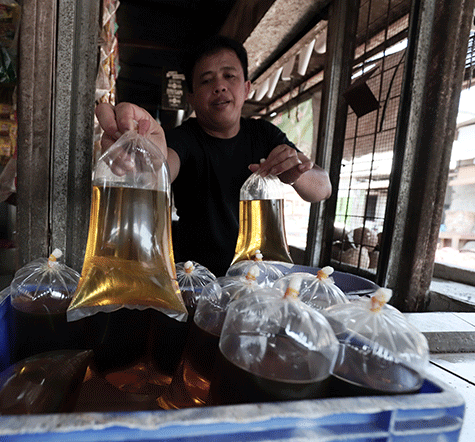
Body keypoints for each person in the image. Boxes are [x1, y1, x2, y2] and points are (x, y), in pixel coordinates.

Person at [95, 35, 331, 276]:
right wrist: (142, 157)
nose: (219, 86)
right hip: (194, 280)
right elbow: (162, 166)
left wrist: (296, 173)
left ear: (247, 88)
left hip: (255, 279)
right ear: (192, 98)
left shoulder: (264, 134)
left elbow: (323, 187)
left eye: (229, 76)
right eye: (206, 80)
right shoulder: (184, 137)